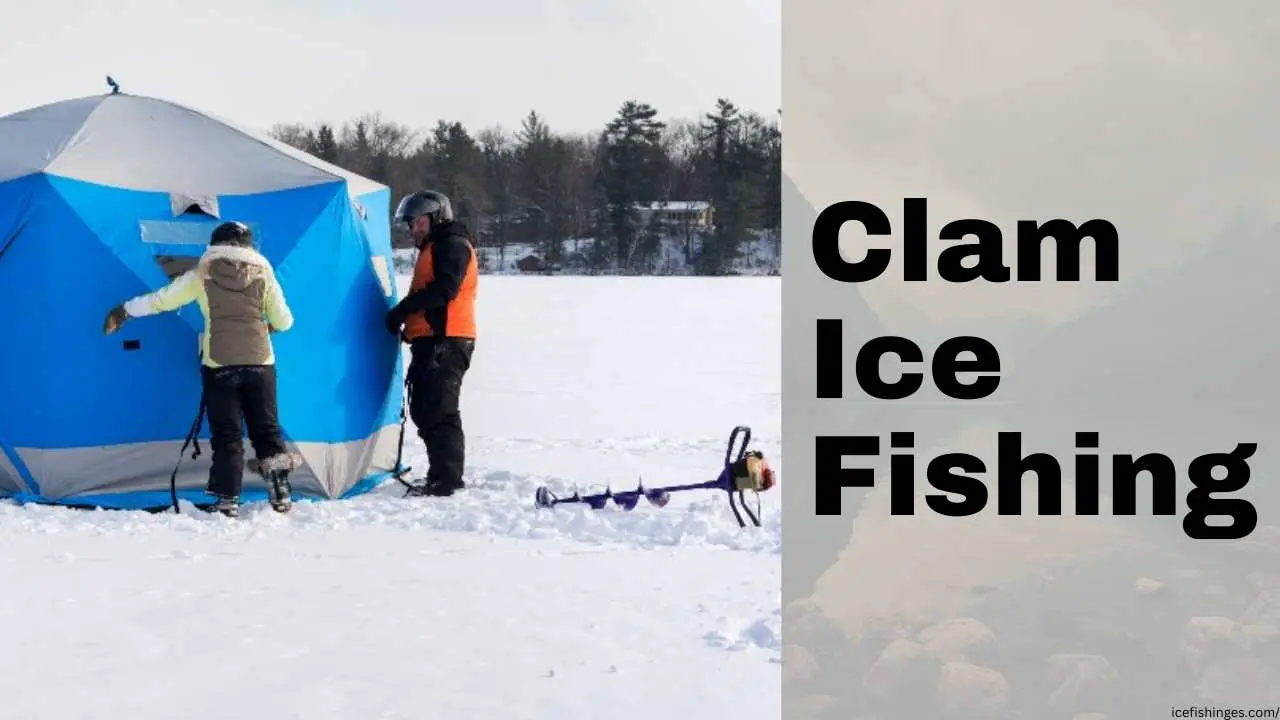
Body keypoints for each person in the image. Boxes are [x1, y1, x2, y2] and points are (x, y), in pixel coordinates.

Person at [103, 221, 301, 517]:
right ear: (248, 247)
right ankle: (281, 493)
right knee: (267, 428)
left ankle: (227, 499)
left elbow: (162, 301)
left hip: (219, 363)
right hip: (260, 364)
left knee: (227, 434)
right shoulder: (264, 274)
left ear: (215, 244)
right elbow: (285, 321)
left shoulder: (202, 273)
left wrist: (124, 311)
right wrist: (264, 326)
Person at [384, 190, 478, 497]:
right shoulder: (435, 246)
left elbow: (445, 290)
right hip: (433, 341)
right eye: (411, 224)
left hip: (448, 341)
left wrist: (402, 310)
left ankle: (448, 480)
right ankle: (440, 474)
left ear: (437, 217)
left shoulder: (451, 244)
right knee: (424, 409)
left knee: (440, 409)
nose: (414, 230)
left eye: (419, 223)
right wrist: (409, 330)